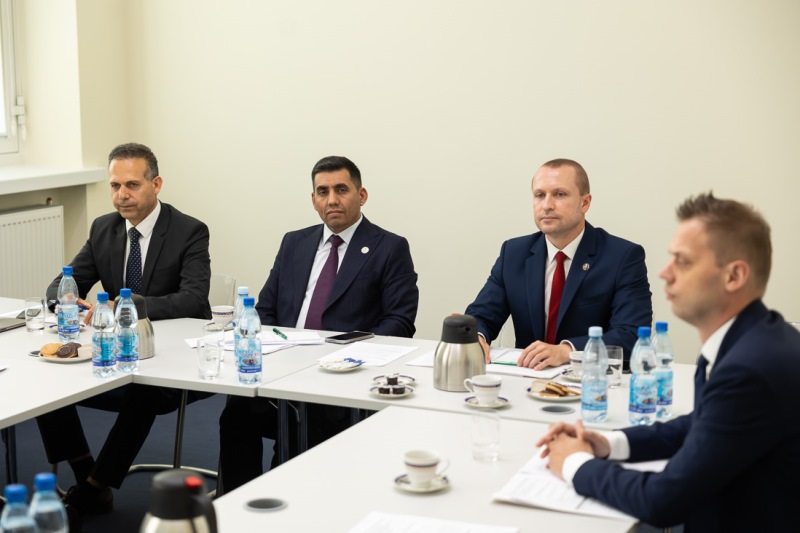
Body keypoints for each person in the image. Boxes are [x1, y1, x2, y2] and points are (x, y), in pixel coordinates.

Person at [537, 192, 800, 531]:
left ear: (734, 276)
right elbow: (701, 424)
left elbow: (662, 500)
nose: (665, 273)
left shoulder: (750, 369)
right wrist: (607, 444)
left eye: (683, 261)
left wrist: (574, 463)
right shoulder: (754, 339)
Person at [219, 155, 419, 492]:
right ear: (313, 199)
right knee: (237, 410)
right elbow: (266, 309)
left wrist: (349, 356)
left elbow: (400, 322)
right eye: (323, 192)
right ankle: (236, 503)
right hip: (283, 369)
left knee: (304, 427)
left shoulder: (389, 247)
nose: (332, 200)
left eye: (341, 190)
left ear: (361, 195)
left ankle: (287, 494)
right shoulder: (294, 243)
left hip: (342, 379)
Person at [36, 143, 212, 524]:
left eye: (132, 185)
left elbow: (193, 299)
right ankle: (87, 472)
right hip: (114, 353)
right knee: (47, 378)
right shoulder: (104, 228)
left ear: (156, 184)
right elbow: (64, 281)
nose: (121, 195)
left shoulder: (189, 231)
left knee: (142, 391)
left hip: (174, 360)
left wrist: (125, 307)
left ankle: (94, 488)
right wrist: (65, 301)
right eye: (115, 186)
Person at [465, 158, 652, 369]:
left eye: (560, 194)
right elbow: (481, 315)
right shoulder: (514, 253)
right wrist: (475, 336)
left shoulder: (623, 257)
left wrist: (567, 351)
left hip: (590, 380)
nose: (547, 205)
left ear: (585, 203)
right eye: (539, 195)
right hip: (527, 378)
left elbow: (631, 334)